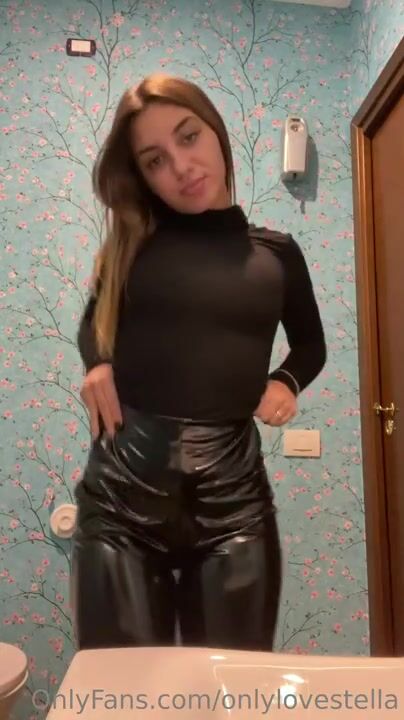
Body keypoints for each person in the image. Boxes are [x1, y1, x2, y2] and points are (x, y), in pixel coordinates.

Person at [70, 73, 326, 653]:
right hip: (121, 502)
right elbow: (94, 321)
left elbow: (310, 344)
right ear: (142, 175)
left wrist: (285, 381)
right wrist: (97, 365)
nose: (181, 167)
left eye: (188, 137)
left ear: (216, 131)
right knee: (123, 692)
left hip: (235, 506)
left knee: (232, 688)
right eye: (155, 160)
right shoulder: (132, 245)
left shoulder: (277, 254)